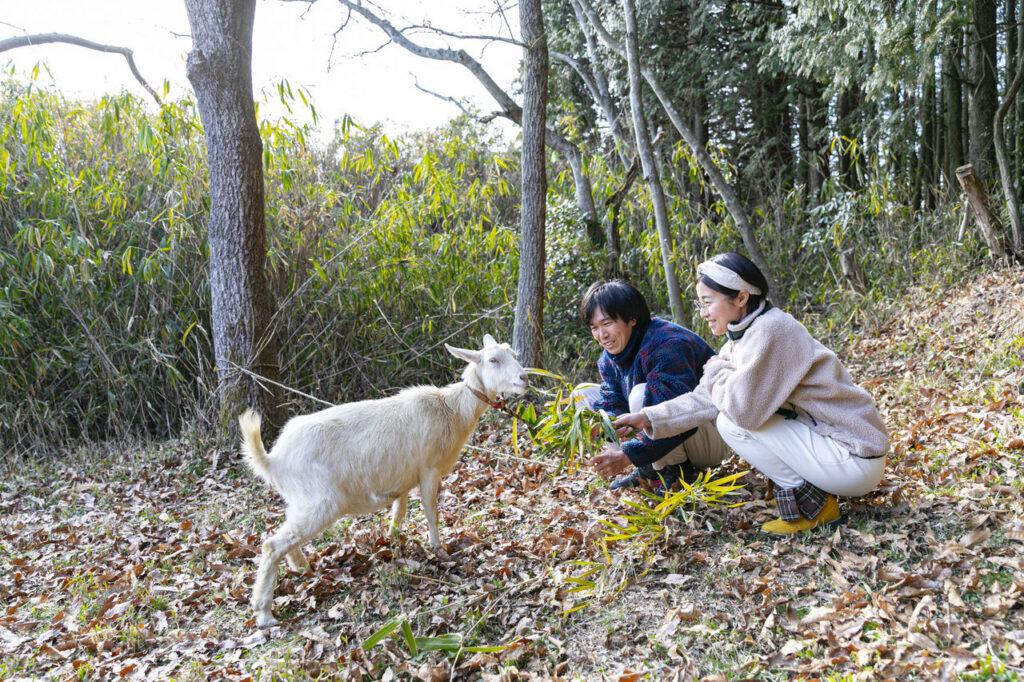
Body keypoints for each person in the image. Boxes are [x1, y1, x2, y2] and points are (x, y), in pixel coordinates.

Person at [613, 253, 888, 535]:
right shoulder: (744, 337)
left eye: (708, 302)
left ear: (741, 298)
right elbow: (705, 398)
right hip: (839, 449)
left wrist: (716, 370)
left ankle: (814, 508)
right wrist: (647, 417)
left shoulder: (772, 330)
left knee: (731, 423)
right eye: (700, 303)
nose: (703, 312)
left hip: (854, 456)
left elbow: (743, 411)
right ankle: (808, 493)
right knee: (730, 415)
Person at [578, 279, 730, 494]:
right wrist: (608, 425)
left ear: (632, 318)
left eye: (607, 324)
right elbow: (612, 398)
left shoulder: (667, 344)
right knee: (582, 394)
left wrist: (627, 456)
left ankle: (675, 470)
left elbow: (671, 414)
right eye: (595, 328)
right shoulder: (609, 357)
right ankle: (648, 468)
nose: (602, 336)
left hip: (709, 436)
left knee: (641, 395)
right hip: (665, 435)